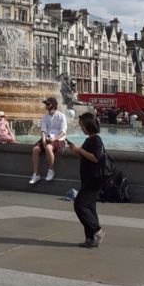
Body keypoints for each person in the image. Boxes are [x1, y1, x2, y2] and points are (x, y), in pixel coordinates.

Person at [65, 112, 108, 248]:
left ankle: (97, 230)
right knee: (89, 207)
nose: (81, 128)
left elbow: (95, 158)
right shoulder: (90, 139)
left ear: (89, 125)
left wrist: (79, 149)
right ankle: (90, 239)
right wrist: (75, 150)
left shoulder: (96, 140)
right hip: (89, 178)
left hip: (94, 179)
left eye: (82, 126)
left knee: (80, 205)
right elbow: (86, 157)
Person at [29, 97, 67, 185]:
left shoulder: (61, 116)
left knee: (49, 147)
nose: (46, 105)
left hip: (58, 139)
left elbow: (63, 132)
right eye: (46, 104)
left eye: (48, 104)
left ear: (53, 105)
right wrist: (43, 138)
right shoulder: (44, 117)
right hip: (47, 137)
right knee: (35, 149)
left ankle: (51, 170)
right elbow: (43, 130)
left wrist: (54, 139)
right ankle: (36, 174)